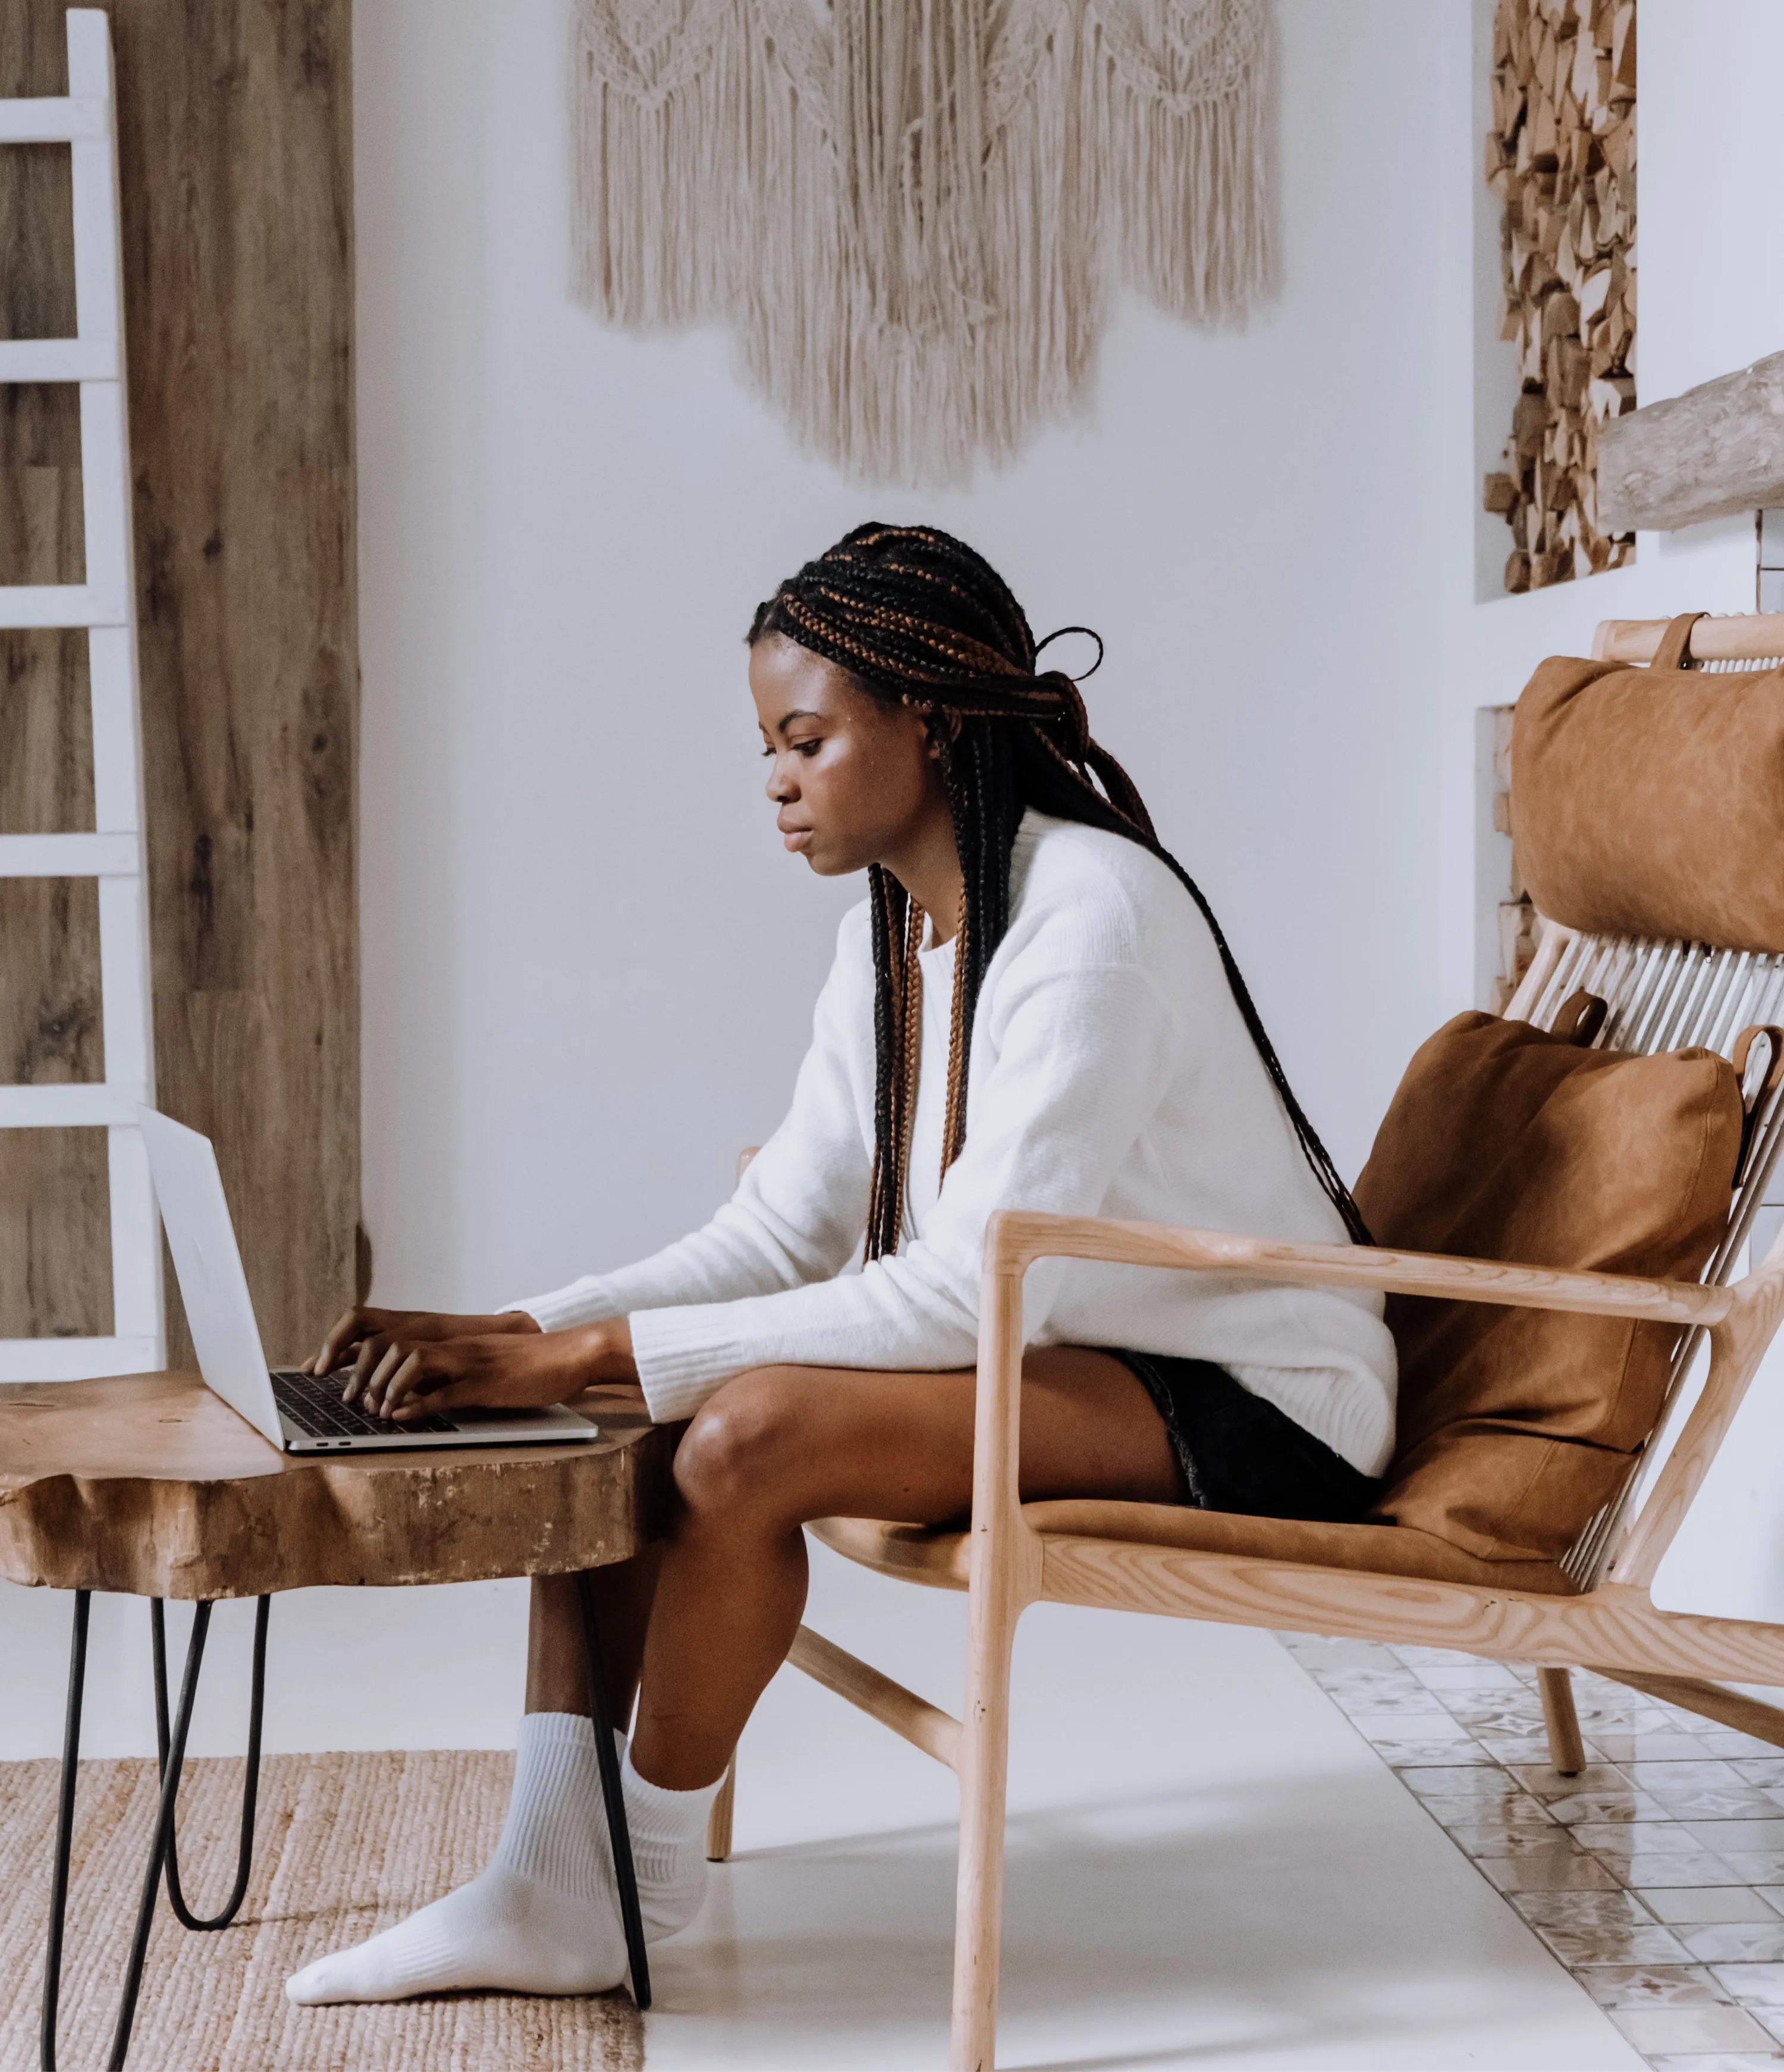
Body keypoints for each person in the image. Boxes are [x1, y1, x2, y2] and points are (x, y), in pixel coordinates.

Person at [284, 521, 1396, 2006]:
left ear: (925, 720)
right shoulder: (899, 937)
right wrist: (522, 1331)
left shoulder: (1092, 921)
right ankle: (549, 1880)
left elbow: (962, 1290)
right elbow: (777, 1235)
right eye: (768, 743)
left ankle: (634, 1901)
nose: (774, 777)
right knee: (625, 1412)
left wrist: (579, 1350)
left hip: (1264, 1392)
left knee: (741, 1435)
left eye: (805, 737)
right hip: (1091, 1345)